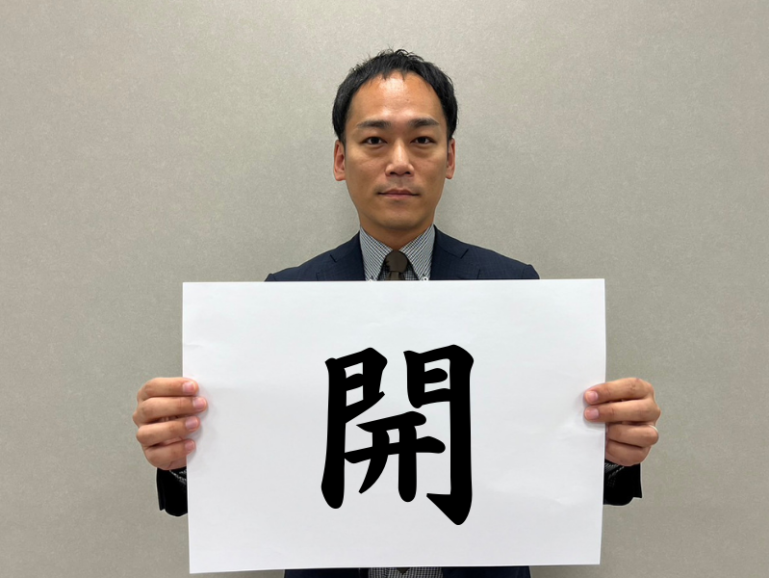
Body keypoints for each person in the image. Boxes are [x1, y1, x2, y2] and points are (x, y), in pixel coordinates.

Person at [133, 49, 661, 578]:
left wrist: (610, 450)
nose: (400, 161)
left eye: (423, 140)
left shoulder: (514, 289)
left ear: (449, 158)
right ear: (340, 160)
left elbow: (550, 469)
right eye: (374, 140)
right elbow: (254, 477)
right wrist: (183, 455)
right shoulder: (285, 299)